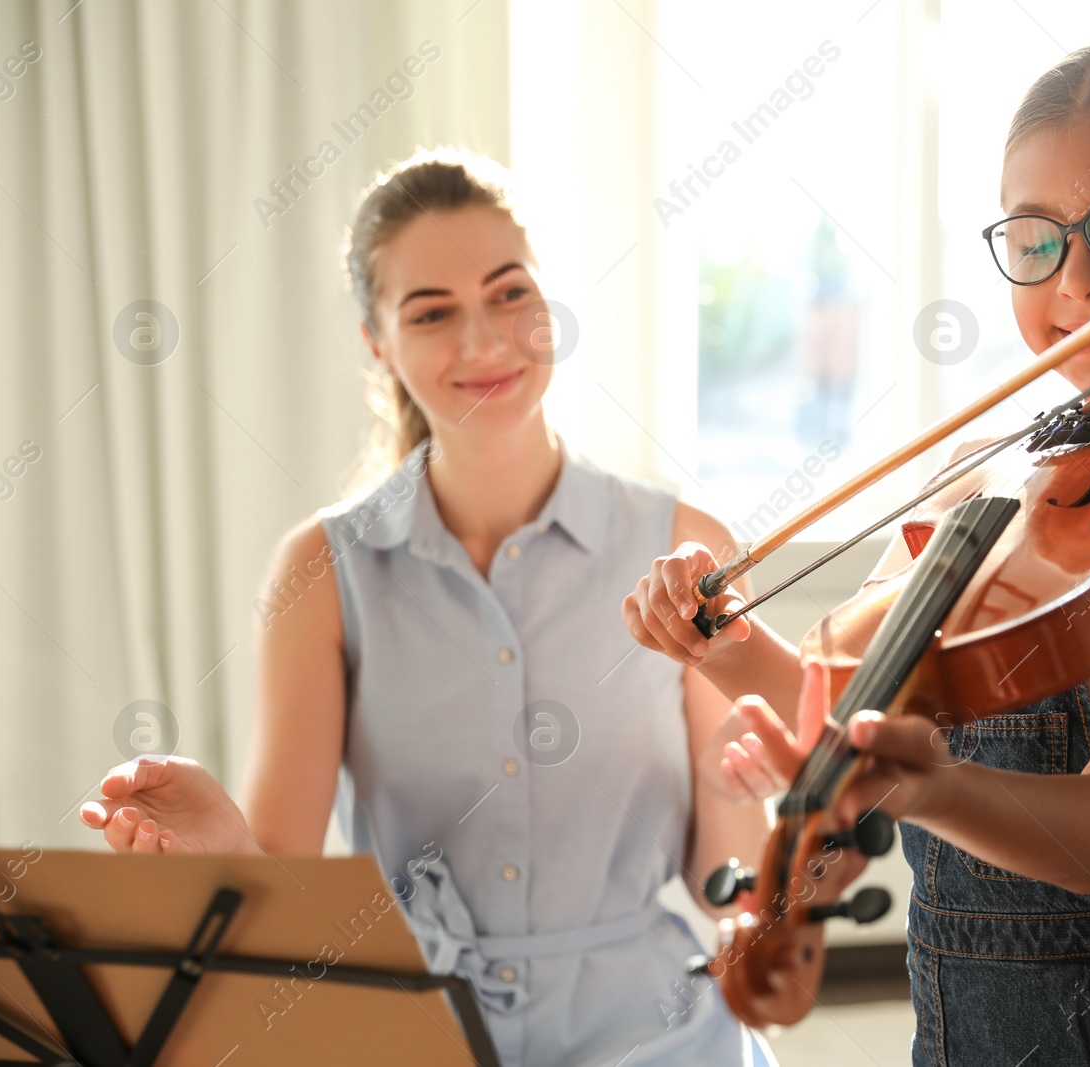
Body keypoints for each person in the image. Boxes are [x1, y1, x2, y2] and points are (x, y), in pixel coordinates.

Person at [624, 37, 1090, 1066]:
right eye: (1037, 240)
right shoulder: (991, 477)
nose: (1080, 279)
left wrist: (922, 788)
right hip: (960, 1024)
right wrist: (722, 641)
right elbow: (863, 706)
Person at [81, 148, 779, 1067]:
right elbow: (285, 885)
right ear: (377, 341)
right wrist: (219, 844)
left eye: (510, 293)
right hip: (414, 1037)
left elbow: (730, 888)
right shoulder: (322, 570)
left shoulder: (683, 545)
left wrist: (747, 800)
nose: (485, 341)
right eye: (431, 312)